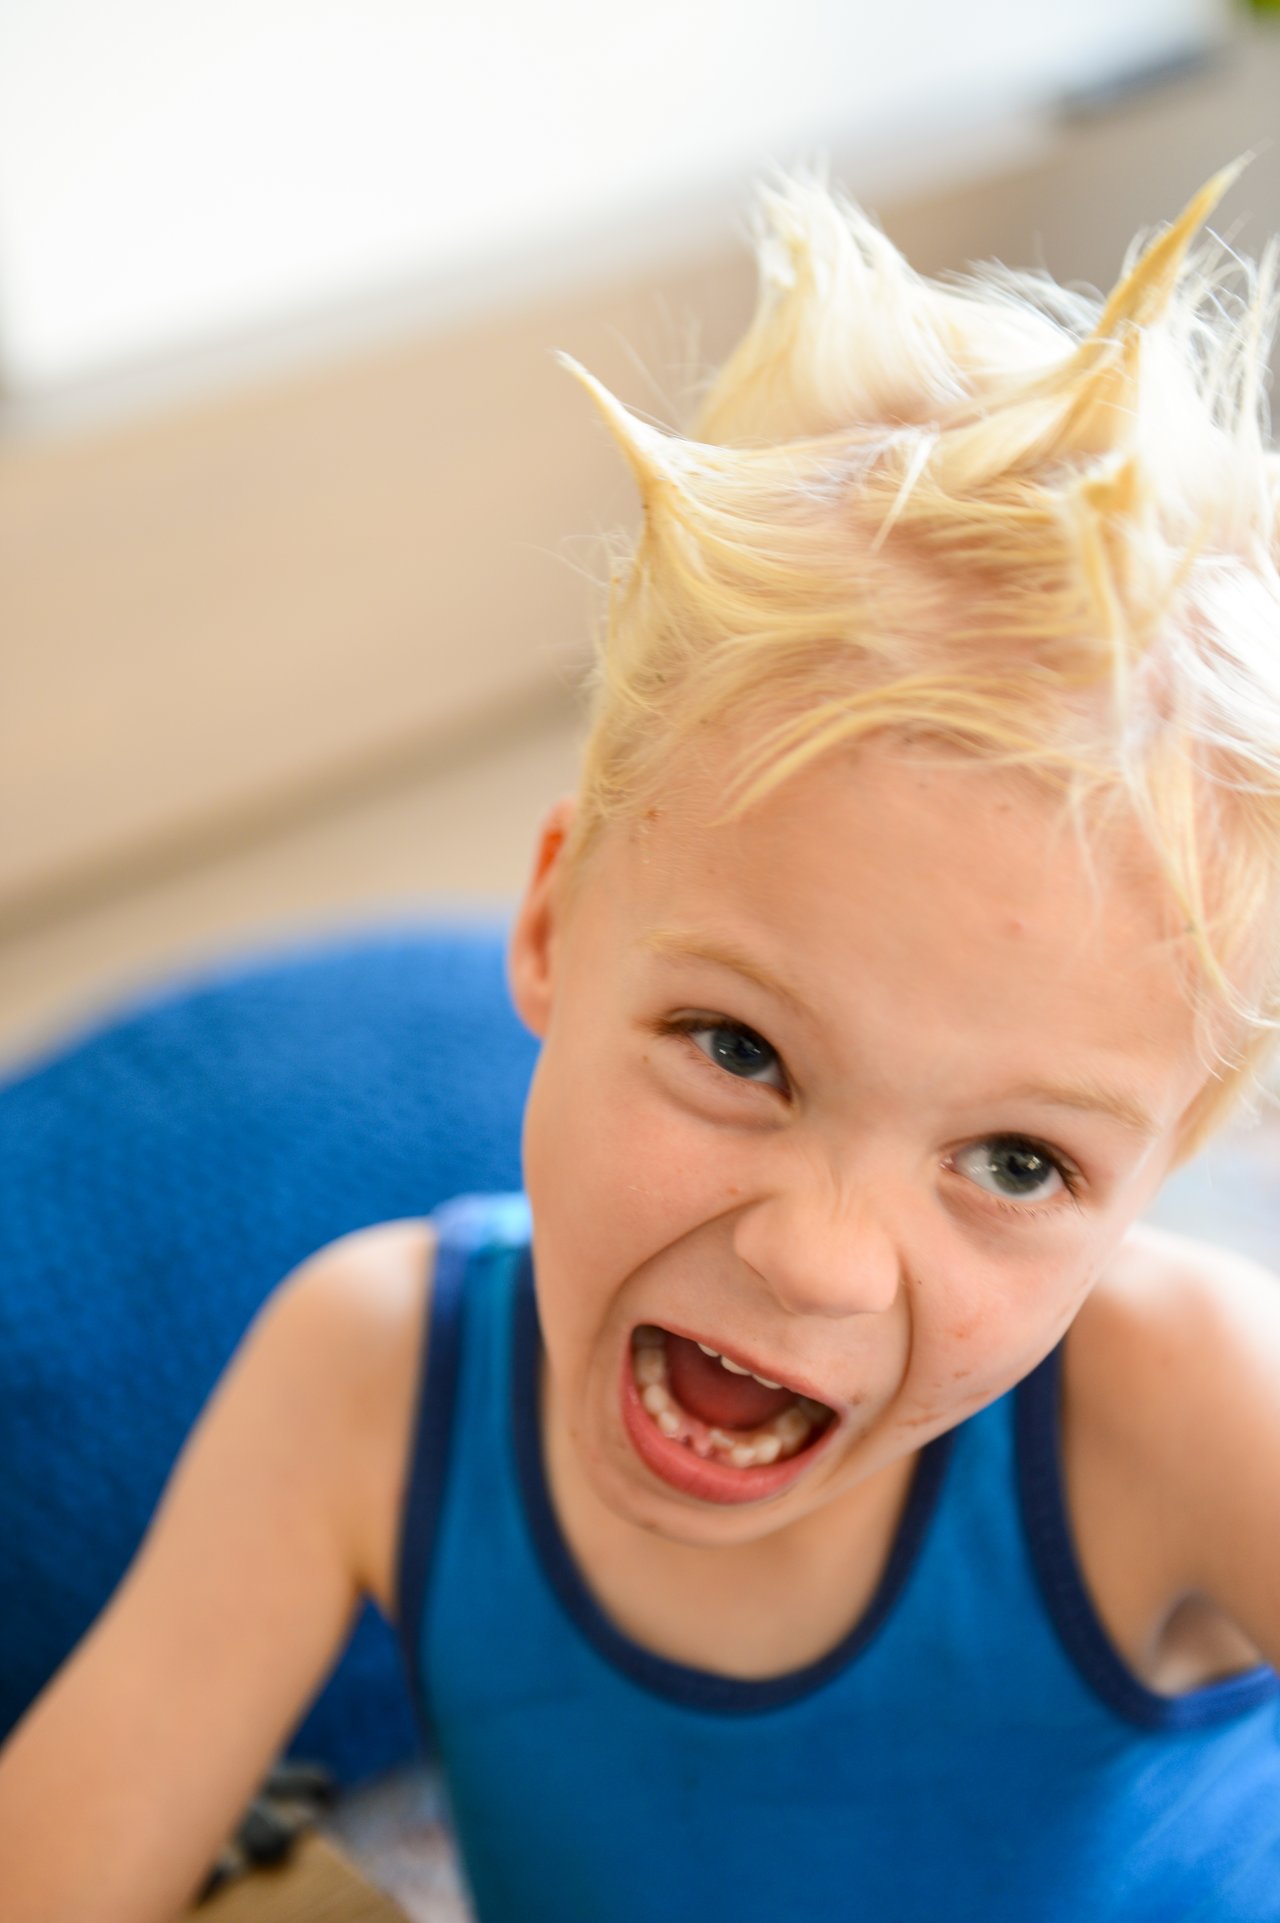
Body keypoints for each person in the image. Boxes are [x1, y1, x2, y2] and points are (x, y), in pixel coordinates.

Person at [2, 158, 1279, 1922]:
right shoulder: (370, 1382)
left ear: (1164, 1165)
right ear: (547, 922)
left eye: (1016, 1162)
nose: (822, 1264)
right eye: (739, 1050)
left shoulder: (1186, 1407)